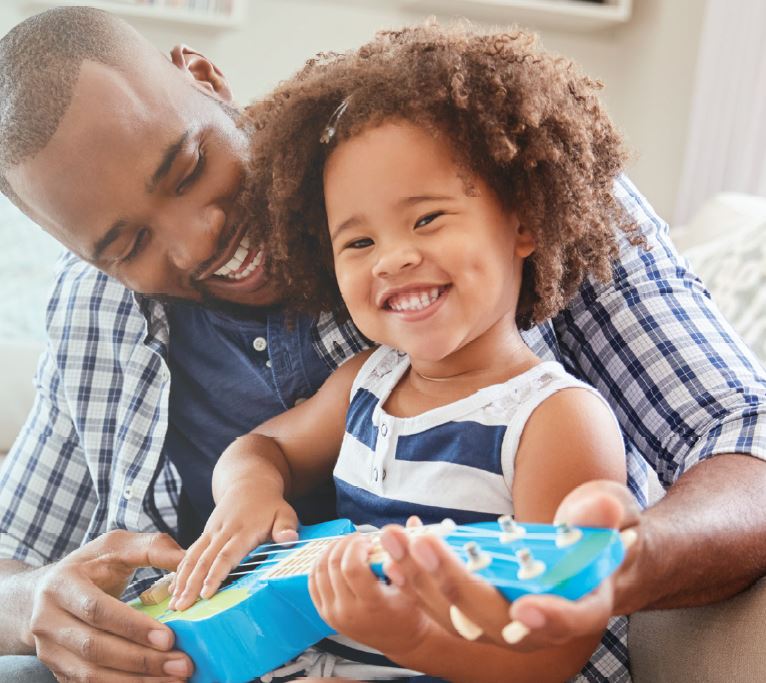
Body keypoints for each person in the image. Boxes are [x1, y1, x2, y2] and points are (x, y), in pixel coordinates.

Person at [0, 6, 765, 683]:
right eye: (128, 244)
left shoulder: (491, 168)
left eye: (191, 165)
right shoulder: (98, 307)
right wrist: (38, 599)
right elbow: (15, 547)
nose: (197, 240)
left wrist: (615, 565)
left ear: (204, 76)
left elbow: (742, 441)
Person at [168, 21, 637, 682]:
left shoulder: (555, 420)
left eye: (427, 219)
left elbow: (550, 654)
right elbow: (260, 447)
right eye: (358, 243)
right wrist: (248, 489)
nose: (393, 258)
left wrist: (413, 637)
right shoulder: (367, 381)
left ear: (524, 221)